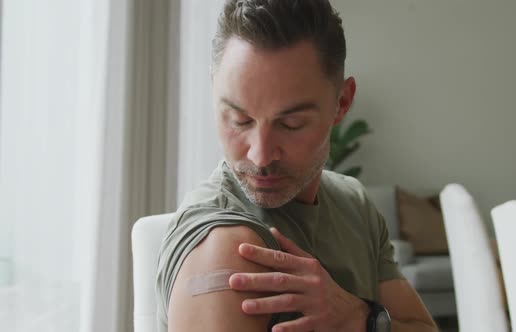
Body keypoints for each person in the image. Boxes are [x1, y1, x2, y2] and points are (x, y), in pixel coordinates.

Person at [156, 0, 436, 331]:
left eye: (291, 124)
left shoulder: (354, 205)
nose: (260, 156)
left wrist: (359, 318)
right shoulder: (223, 244)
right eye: (239, 119)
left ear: (341, 103)